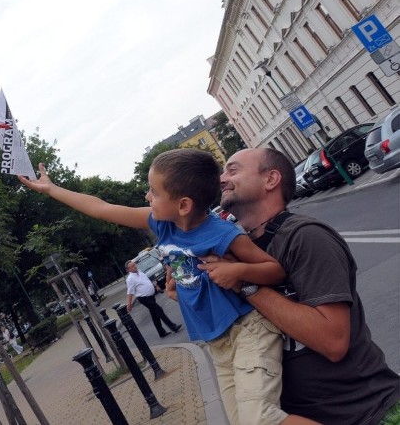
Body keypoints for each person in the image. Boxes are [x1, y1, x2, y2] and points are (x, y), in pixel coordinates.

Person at [20, 148, 316, 425]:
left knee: (259, 419)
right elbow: (102, 208)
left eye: (154, 191)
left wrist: (236, 270)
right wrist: (52, 189)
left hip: (247, 332)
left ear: (183, 204)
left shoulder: (221, 232)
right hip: (217, 343)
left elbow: (274, 270)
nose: (147, 196)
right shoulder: (162, 224)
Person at [201, 147, 400, 424]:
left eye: (233, 170)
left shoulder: (304, 237)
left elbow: (333, 341)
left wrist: (246, 284)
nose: (222, 178)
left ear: (271, 180)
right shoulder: (238, 253)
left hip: (368, 413)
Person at [124, 259, 181, 338]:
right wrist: (129, 304)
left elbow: (147, 280)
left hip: (151, 296)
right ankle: (173, 327)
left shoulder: (139, 272)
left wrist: (155, 286)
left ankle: (161, 332)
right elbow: (130, 292)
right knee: (159, 310)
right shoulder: (130, 279)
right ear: (128, 269)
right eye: (132, 266)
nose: (135, 266)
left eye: (135, 265)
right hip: (144, 298)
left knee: (155, 315)